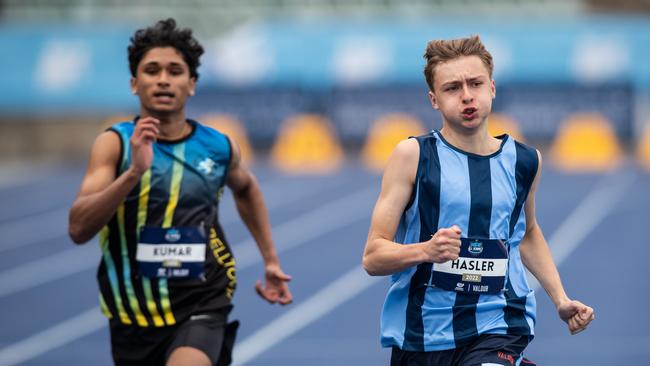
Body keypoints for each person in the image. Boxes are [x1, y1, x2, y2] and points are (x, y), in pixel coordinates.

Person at [68, 18, 293, 366]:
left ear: (192, 84)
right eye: (151, 70)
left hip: (203, 300)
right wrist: (133, 173)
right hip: (132, 316)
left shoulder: (217, 146)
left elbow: (247, 188)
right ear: (133, 83)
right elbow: (78, 228)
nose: (162, 79)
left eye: (175, 71)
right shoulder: (114, 145)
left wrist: (270, 259)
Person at [362, 35, 594, 365]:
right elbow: (373, 256)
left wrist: (560, 299)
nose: (467, 96)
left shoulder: (525, 161)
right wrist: (426, 250)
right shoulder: (412, 156)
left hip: (499, 322)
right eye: (453, 88)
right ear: (434, 100)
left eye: (476, 83)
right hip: (422, 333)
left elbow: (527, 233)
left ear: (492, 88)